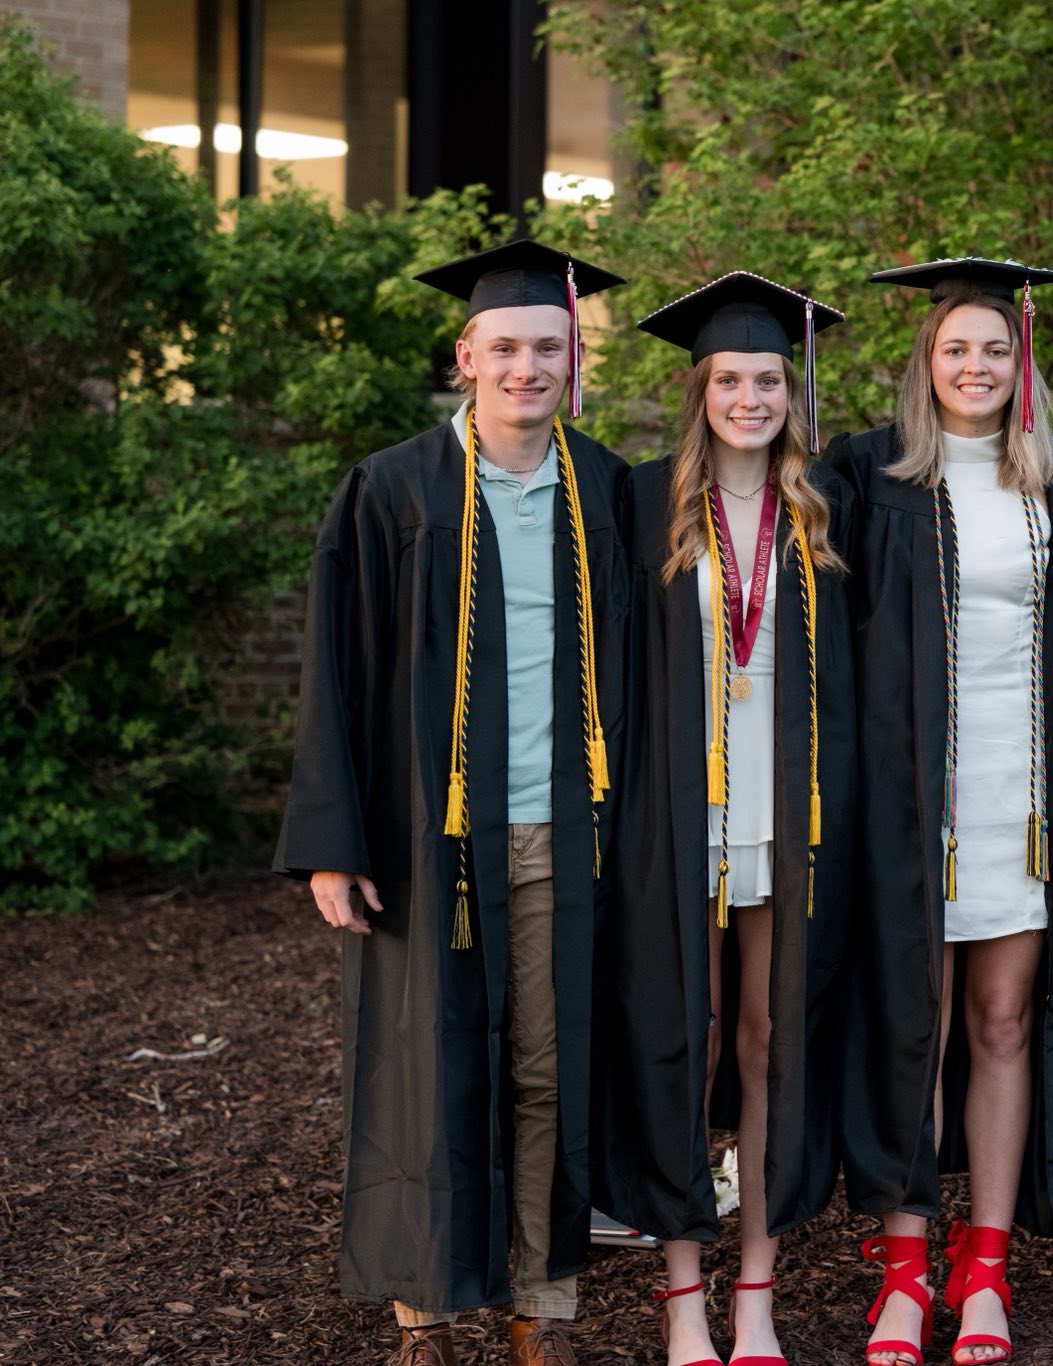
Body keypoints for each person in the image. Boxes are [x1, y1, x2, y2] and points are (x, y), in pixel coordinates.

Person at [275, 240, 630, 1366]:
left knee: (549, 1070)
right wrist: (332, 844)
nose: (528, 367)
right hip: (425, 840)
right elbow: (334, 671)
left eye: (549, 349)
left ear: (574, 361)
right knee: (427, 1064)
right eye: (507, 347)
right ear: (465, 354)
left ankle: (541, 1309)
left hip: (568, 833)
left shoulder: (607, 489)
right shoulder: (393, 489)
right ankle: (421, 1317)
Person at [825, 258, 1053, 1366]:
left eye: (996, 349)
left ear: (1021, 363)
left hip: (1020, 794)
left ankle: (984, 1267)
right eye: (956, 350)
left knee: (1001, 1022)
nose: (976, 367)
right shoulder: (873, 475)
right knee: (914, 1023)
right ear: (925, 362)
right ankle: (905, 1269)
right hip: (910, 799)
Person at [592, 273, 859, 1366]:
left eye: (769, 380)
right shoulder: (642, 502)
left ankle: (755, 1293)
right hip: (677, 809)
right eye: (730, 380)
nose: (750, 399)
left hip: (786, 809)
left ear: (793, 393)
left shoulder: (824, 510)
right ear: (699, 391)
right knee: (683, 1036)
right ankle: (681, 1298)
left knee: (768, 1041)